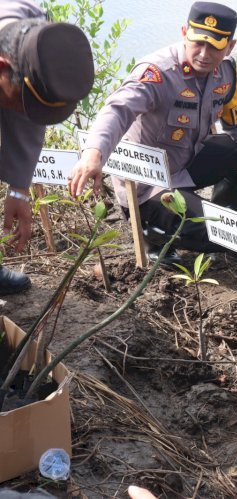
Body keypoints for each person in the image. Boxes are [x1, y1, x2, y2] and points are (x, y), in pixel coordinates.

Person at [68, 1, 237, 263]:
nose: (204, 54)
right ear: (184, 32)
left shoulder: (227, 73)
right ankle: (156, 235)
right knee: (217, 231)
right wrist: (93, 154)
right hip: (150, 185)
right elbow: (118, 110)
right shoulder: (157, 73)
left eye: (215, 46)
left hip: (187, 162)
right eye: (198, 42)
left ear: (230, 46)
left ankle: (219, 215)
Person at [0, 0, 94, 294]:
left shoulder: (36, 37)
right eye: (22, 105)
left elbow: (29, 108)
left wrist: (18, 187)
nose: (29, 117)